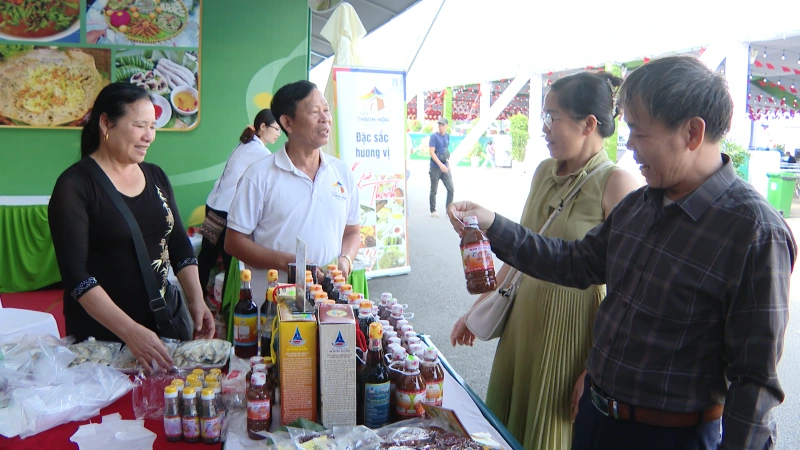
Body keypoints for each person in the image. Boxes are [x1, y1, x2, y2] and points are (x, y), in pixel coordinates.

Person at [448, 56, 797, 450]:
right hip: (598, 421)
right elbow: (574, 262)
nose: (628, 145)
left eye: (638, 131)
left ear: (692, 133)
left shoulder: (753, 232)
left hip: (669, 436)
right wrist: (493, 223)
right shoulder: (641, 205)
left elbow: (753, 383)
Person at [450, 72, 638, 450]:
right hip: (524, 322)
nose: (544, 129)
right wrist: (479, 308)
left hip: (570, 330)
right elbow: (523, 251)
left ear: (589, 124)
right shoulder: (542, 173)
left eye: (553, 118)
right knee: (508, 424)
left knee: (549, 430)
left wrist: (596, 368)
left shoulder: (617, 182)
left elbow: (626, 290)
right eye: (543, 118)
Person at [49, 83, 215, 373]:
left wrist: (197, 300)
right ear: (105, 123)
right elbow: (77, 277)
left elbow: (178, 245)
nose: (149, 136)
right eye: (139, 125)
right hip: (105, 341)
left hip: (166, 325)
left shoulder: (155, 176)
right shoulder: (74, 186)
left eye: (152, 126)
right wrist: (130, 331)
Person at [224, 80, 360, 301]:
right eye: (315, 111)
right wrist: (287, 263)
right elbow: (234, 241)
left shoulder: (342, 173)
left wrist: (345, 260)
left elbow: (352, 231)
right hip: (275, 305)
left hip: (327, 302)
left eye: (326, 110)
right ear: (288, 122)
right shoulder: (259, 175)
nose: (325, 118)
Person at [197, 109, 281, 299]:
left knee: (208, 256)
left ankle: (202, 297)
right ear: (262, 127)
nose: (278, 134)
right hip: (225, 210)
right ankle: (222, 304)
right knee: (229, 262)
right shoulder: (259, 151)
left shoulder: (246, 144)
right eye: (276, 129)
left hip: (215, 204)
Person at [429, 117, 454, 218]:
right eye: (439, 125)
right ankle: (433, 210)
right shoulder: (434, 137)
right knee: (434, 190)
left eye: (443, 125)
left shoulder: (447, 136)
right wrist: (440, 165)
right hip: (435, 167)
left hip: (445, 166)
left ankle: (448, 210)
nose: (441, 127)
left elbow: (445, 152)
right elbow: (432, 152)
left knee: (451, 189)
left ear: (446, 126)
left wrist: (448, 165)